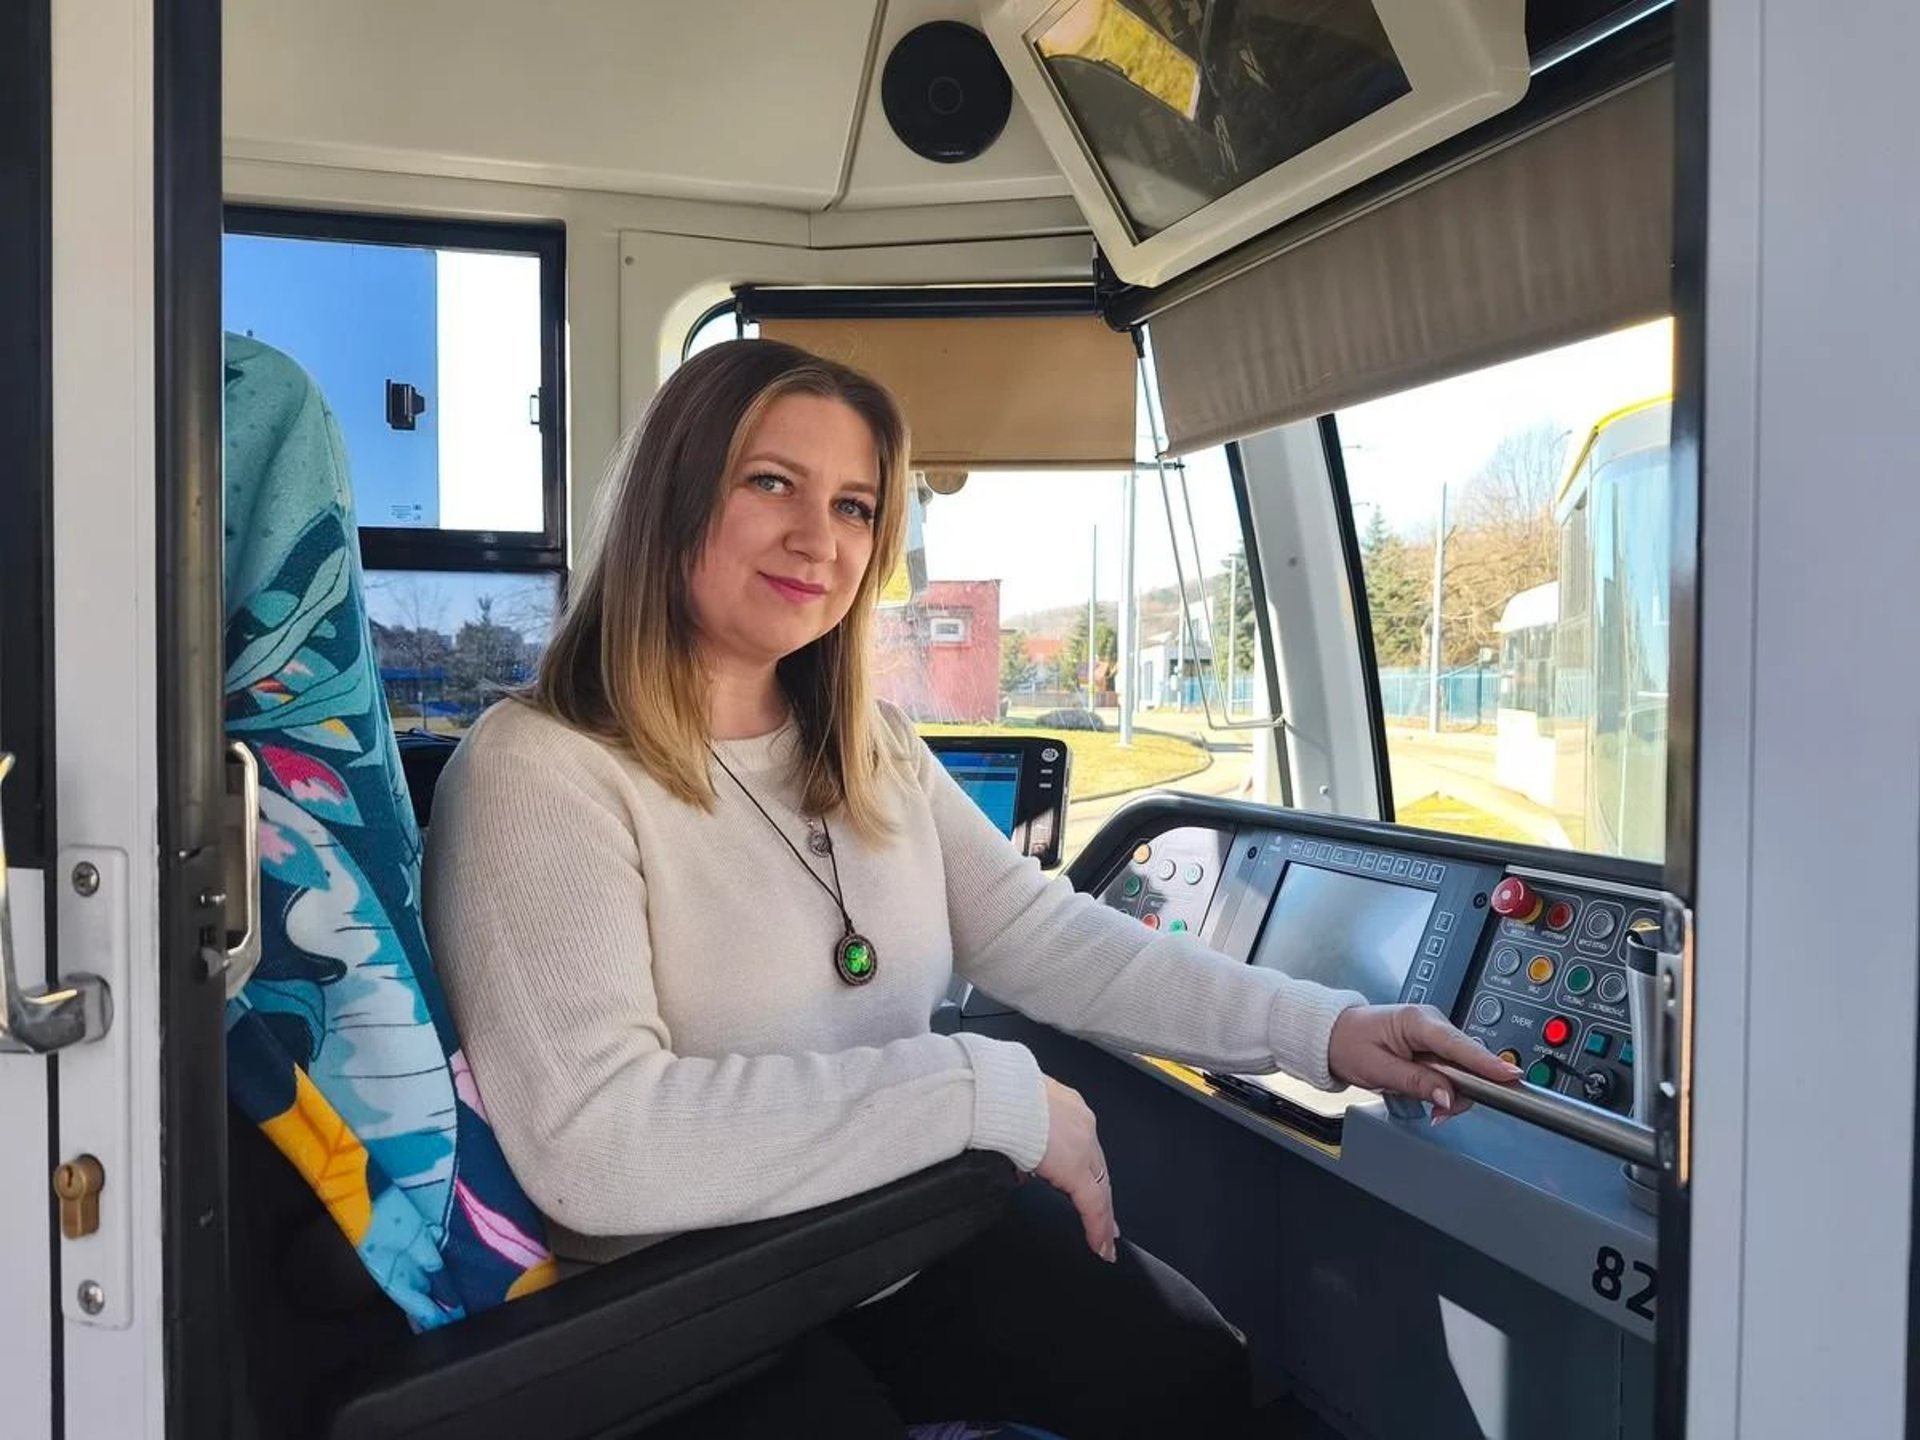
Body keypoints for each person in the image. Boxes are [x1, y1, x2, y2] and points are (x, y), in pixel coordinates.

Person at [422, 339, 1519, 1437]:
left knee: (1191, 1370)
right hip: (693, 1304)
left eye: (855, 507)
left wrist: (1326, 1030)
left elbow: (1051, 938)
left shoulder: (874, 747)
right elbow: (598, 1142)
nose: (819, 539)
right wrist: (978, 1090)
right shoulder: (540, 767)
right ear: (671, 495)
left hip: (891, 1234)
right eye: (771, 483)